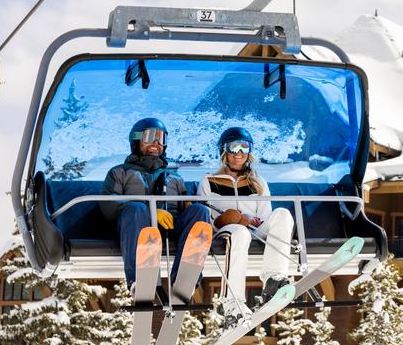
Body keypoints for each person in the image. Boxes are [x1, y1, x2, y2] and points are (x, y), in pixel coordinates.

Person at [100, 117, 210, 291]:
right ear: (136, 140)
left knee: (200, 212)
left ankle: (186, 276)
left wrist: (190, 208)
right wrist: (152, 212)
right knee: (136, 208)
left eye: (161, 138)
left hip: (169, 227)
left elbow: (187, 210)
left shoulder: (174, 177)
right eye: (150, 136)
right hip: (135, 228)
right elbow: (108, 205)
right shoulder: (119, 172)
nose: (156, 143)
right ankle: (140, 280)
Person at [197, 126, 294, 321]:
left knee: (282, 213)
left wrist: (250, 220)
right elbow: (205, 217)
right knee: (239, 232)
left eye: (245, 147)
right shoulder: (210, 181)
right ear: (224, 151)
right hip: (226, 230)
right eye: (234, 148)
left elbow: (265, 215)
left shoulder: (257, 182)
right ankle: (232, 301)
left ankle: (274, 277)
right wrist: (230, 219)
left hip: (253, 229)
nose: (239, 153)